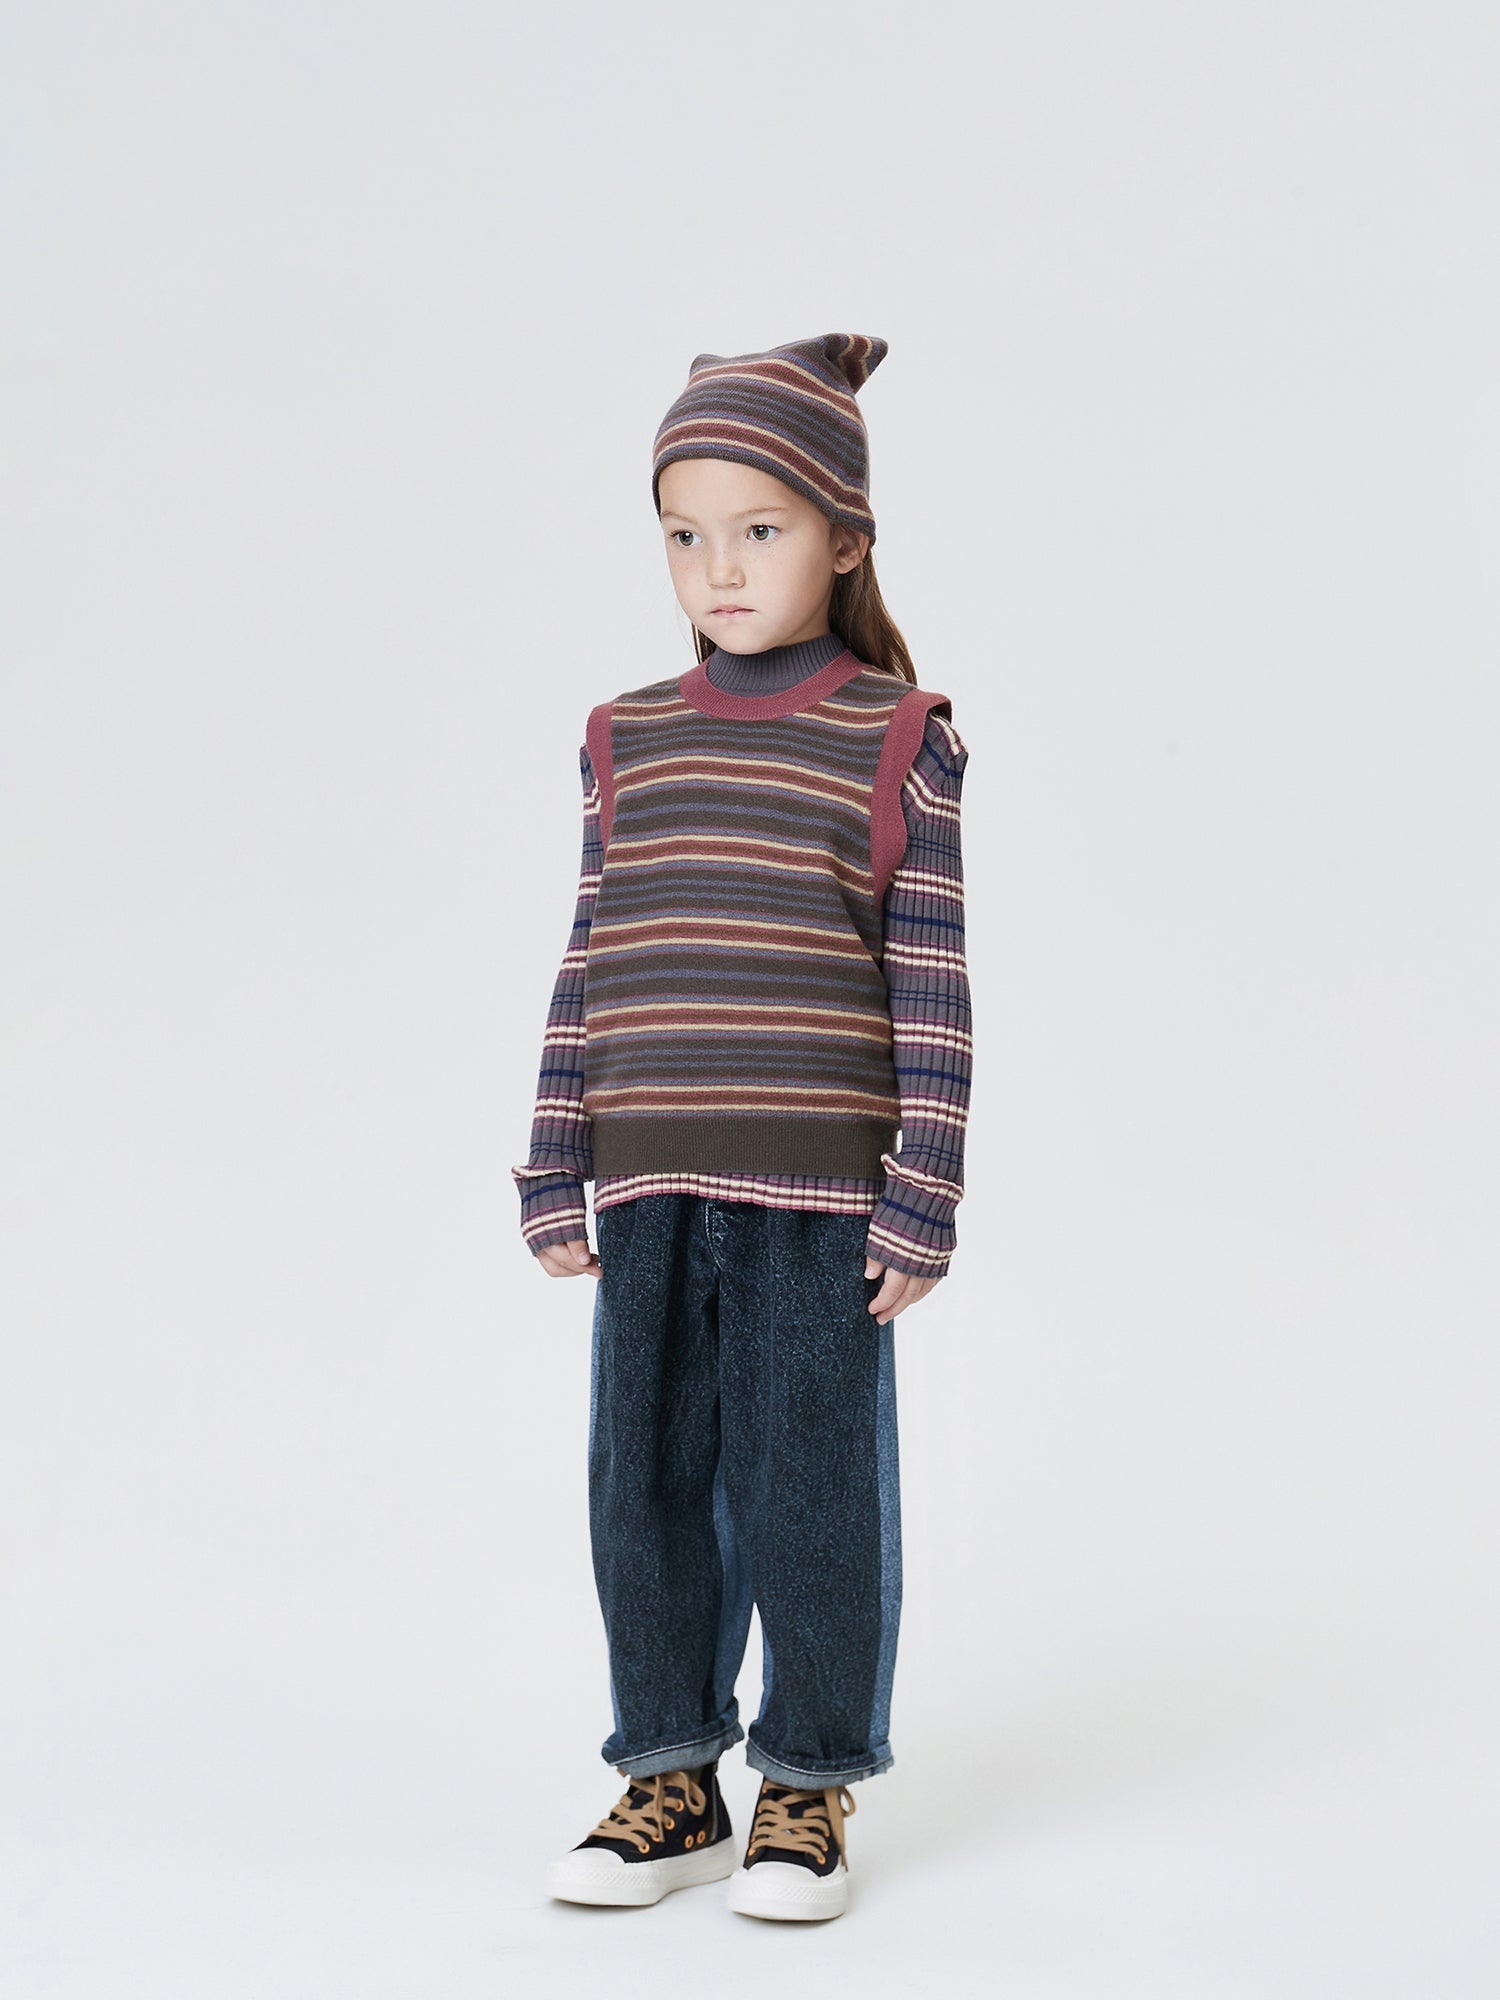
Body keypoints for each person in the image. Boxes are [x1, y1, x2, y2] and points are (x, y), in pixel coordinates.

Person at [511, 332, 973, 1922]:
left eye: (758, 529)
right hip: (648, 1190)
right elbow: (589, 960)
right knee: (642, 1493)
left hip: (818, 1205)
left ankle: (809, 1786)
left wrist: (923, 1194)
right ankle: (669, 1779)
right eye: (683, 533)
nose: (716, 568)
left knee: (811, 1500)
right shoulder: (625, 735)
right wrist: (553, 1158)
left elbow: (932, 988)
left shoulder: (897, 735)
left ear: (845, 536)